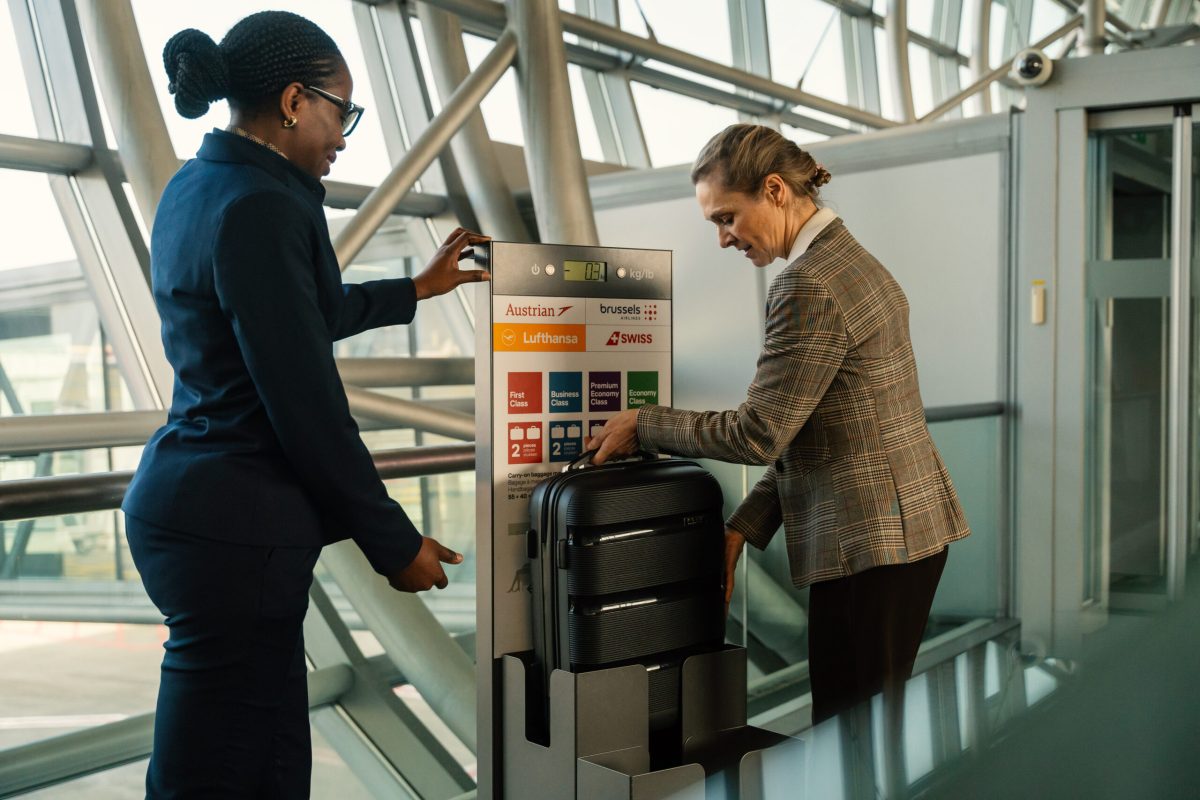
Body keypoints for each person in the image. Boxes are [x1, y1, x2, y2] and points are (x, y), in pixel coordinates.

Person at [121, 11, 489, 797]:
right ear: (294, 101)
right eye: (341, 112)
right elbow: (306, 405)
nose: (344, 138)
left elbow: (296, 313)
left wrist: (416, 289)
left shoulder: (198, 185)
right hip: (234, 525)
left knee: (246, 754)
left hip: (195, 506)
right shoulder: (263, 204)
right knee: (234, 769)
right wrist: (393, 544)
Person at [588, 123, 970, 724]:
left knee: (850, 734)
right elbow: (818, 429)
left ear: (774, 190)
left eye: (726, 218)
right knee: (871, 726)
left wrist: (645, 423)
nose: (723, 239)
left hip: (868, 545)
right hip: (903, 535)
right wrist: (745, 525)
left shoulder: (806, 283)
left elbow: (759, 432)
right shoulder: (854, 261)